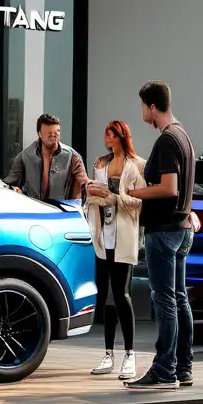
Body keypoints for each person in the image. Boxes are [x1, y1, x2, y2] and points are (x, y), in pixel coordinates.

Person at [125, 81, 196, 390]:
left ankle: (164, 371)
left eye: (142, 106)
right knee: (179, 299)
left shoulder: (167, 141)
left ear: (152, 107)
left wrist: (131, 192)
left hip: (165, 232)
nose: (141, 112)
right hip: (181, 230)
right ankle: (184, 368)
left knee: (165, 300)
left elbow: (169, 188)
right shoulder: (184, 136)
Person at [84, 121, 145, 380]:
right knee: (107, 294)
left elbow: (140, 201)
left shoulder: (137, 165)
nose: (106, 137)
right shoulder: (100, 163)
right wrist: (94, 193)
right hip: (102, 236)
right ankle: (108, 353)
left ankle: (130, 354)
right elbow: (90, 198)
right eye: (105, 133)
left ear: (121, 136)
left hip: (125, 236)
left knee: (122, 294)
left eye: (111, 133)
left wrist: (114, 197)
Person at [5, 114, 87, 204]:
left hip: (61, 210)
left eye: (56, 132)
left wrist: (90, 187)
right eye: (49, 134)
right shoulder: (25, 156)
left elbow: (84, 181)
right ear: (39, 134)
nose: (53, 136)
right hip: (32, 209)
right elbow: (10, 183)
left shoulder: (72, 156)